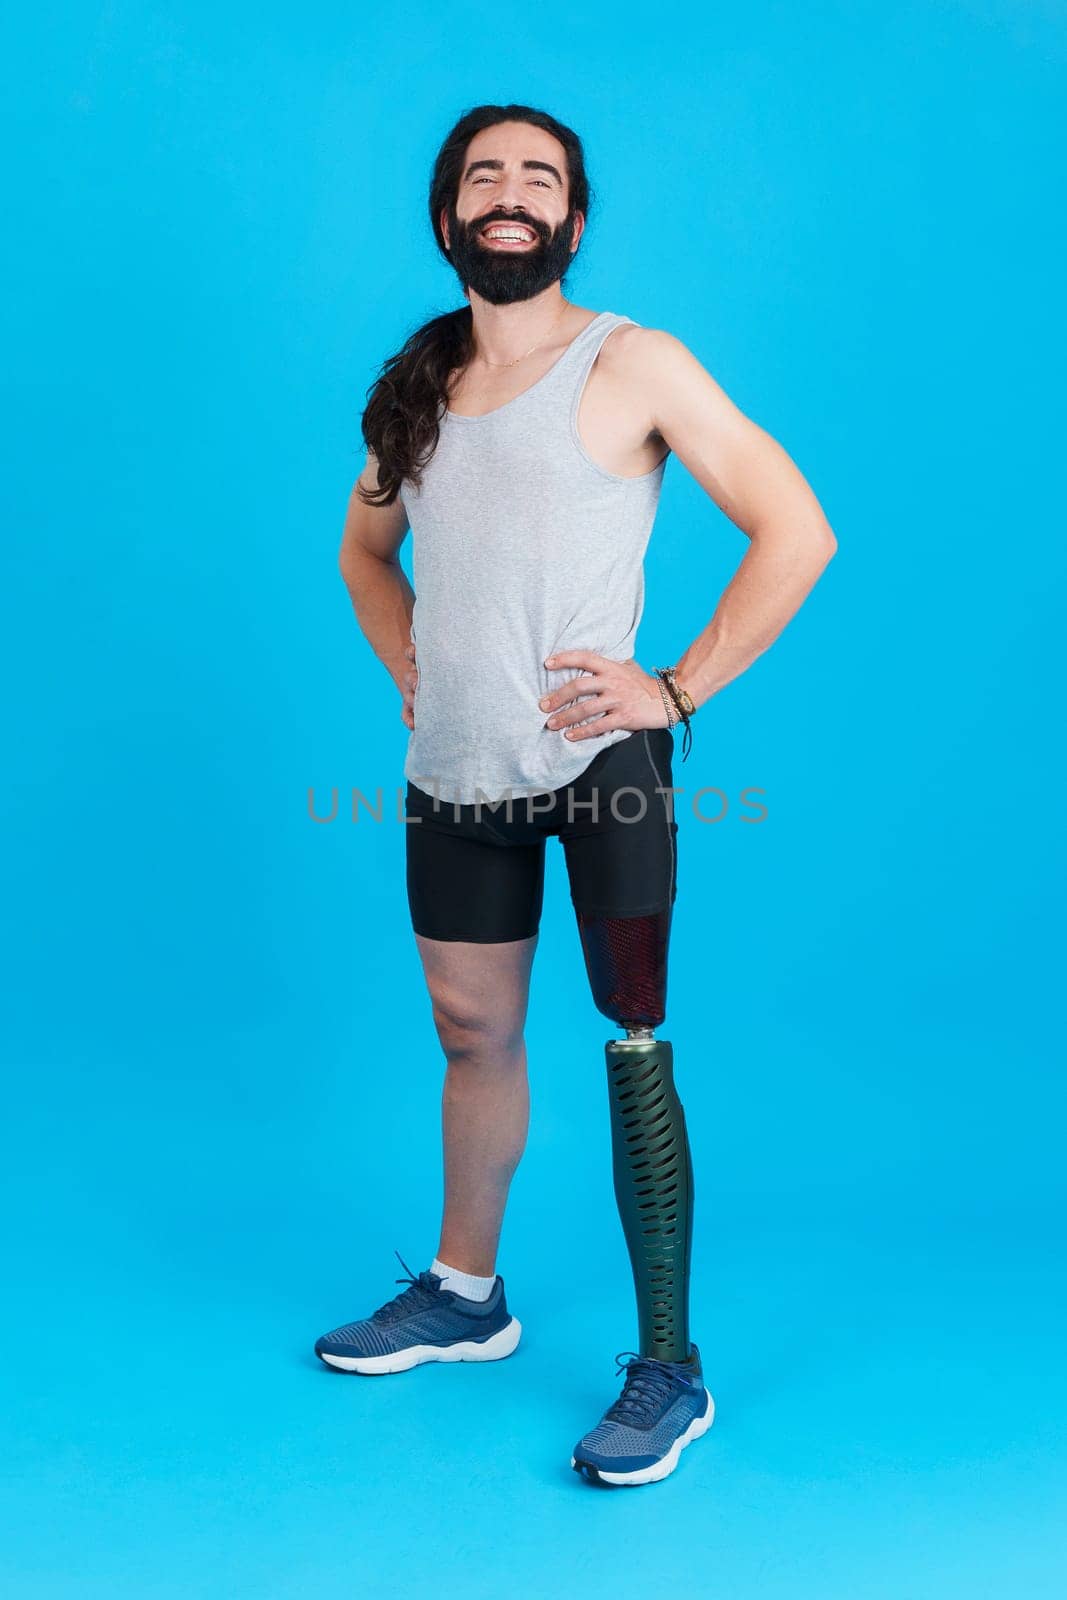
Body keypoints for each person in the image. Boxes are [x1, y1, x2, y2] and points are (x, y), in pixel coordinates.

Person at [318, 102, 837, 1487]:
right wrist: (410, 664)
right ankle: (467, 1294)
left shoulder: (634, 360)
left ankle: (671, 1368)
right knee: (469, 1029)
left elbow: (798, 528)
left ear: (571, 220)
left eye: (536, 178)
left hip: (602, 764)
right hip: (458, 772)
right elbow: (369, 557)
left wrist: (674, 692)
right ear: (448, 219)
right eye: (482, 176)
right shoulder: (416, 386)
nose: (509, 195)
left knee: (631, 1039)